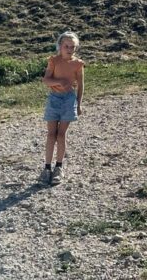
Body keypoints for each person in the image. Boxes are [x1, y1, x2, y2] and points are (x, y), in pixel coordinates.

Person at [41, 31, 84, 185]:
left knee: (61, 135)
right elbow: (46, 80)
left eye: (72, 47)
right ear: (60, 46)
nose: (69, 49)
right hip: (54, 99)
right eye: (66, 46)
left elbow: (80, 85)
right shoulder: (53, 61)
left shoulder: (78, 64)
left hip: (69, 100)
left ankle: (58, 167)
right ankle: (46, 168)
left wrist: (78, 104)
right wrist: (59, 82)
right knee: (51, 134)